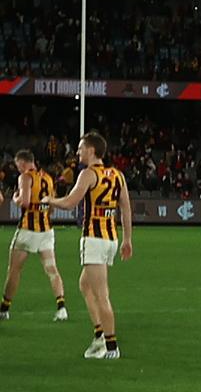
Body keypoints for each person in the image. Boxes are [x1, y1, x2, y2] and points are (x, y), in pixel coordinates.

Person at [44, 132, 133, 360]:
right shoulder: (117, 175)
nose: (78, 152)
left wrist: (50, 200)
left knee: (101, 294)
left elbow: (71, 202)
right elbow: (125, 208)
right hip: (110, 239)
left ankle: (110, 346)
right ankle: (98, 335)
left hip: (94, 240)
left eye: (81, 148)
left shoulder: (88, 174)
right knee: (84, 285)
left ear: (92, 150)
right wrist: (127, 240)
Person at [1, 150, 68, 322]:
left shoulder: (25, 177)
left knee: (14, 270)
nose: (18, 169)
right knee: (52, 270)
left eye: (18, 166)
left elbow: (24, 202)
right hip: (46, 231)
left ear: (22, 163)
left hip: (27, 231)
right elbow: (51, 206)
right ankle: (61, 308)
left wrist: (15, 197)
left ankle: (4, 309)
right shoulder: (47, 177)